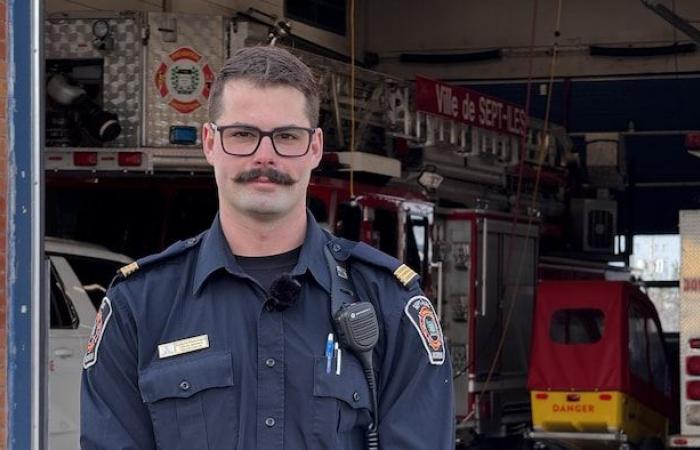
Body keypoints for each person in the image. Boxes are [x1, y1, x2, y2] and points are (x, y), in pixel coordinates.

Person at [81, 45, 455, 450]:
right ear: (209, 143)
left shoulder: (388, 303)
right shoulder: (140, 305)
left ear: (314, 148)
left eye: (286, 137)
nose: (264, 156)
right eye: (242, 134)